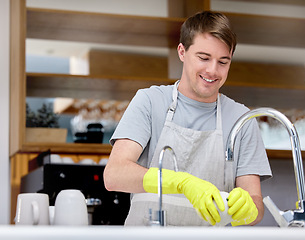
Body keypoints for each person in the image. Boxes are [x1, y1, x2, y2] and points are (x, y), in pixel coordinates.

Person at [104, 10, 272, 226]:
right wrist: (180, 182)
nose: (212, 70)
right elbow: (114, 174)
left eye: (223, 62)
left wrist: (249, 209)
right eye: (203, 58)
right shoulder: (149, 101)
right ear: (182, 52)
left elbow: (255, 204)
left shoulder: (241, 119)